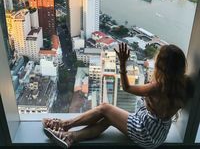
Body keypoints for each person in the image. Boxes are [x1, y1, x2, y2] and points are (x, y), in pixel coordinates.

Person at [43, 43, 193, 149]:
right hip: (158, 135)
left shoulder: (156, 87)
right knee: (108, 118)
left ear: (161, 66)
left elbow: (127, 87)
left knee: (104, 108)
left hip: (145, 130)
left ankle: (64, 125)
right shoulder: (184, 86)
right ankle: (71, 137)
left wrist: (122, 63)